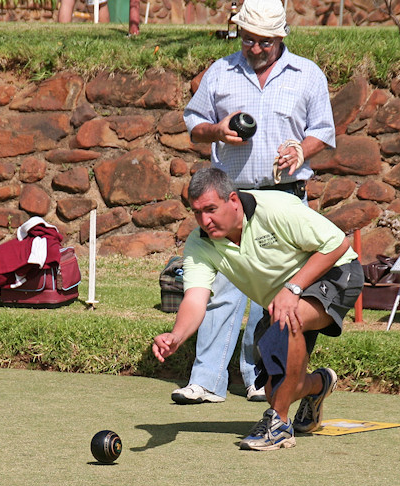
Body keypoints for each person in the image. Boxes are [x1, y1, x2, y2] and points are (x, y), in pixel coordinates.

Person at [174, 0, 335, 406]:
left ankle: (258, 379)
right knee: (222, 288)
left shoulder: (307, 74)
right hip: (232, 197)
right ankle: (206, 380)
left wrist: (301, 150)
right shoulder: (221, 71)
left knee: (273, 293)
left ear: (280, 37)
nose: (255, 48)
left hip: (284, 198)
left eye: (264, 42)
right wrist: (217, 130)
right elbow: (194, 126)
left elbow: (323, 131)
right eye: (248, 39)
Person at [153, 168, 362, 451]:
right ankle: (319, 384)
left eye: (211, 209)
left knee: (290, 318)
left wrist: (293, 288)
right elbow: (195, 299)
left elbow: (337, 244)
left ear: (233, 200)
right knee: (276, 391)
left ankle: (279, 426)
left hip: (335, 271)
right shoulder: (199, 243)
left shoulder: (275, 208)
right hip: (281, 300)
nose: (205, 220)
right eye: (197, 212)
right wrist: (177, 336)